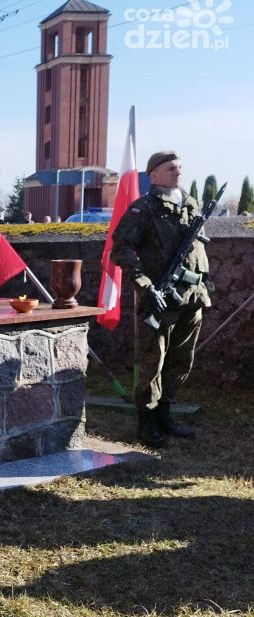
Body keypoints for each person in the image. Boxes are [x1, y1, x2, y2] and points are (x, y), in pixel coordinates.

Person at [110, 150, 209, 448]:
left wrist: (205, 283)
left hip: (192, 296)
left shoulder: (191, 204)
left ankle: (165, 414)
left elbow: (199, 250)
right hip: (161, 297)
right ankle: (147, 421)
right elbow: (121, 249)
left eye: (179, 166)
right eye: (170, 167)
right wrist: (144, 283)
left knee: (181, 359)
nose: (177, 170)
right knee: (153, 361)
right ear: (153, 175)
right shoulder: (144, 208)